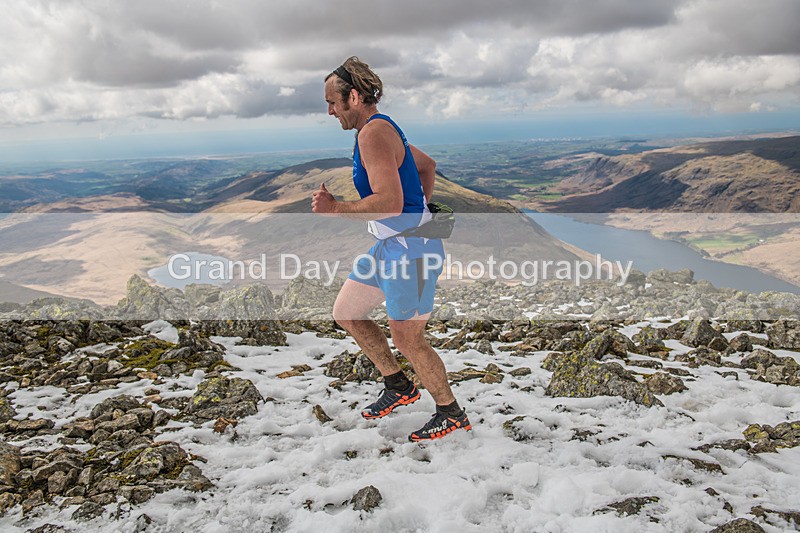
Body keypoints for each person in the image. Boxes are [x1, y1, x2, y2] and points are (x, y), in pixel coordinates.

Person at [312, 56, 471, 442]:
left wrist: (336, 209)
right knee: (347, 312)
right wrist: (421, 215)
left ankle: (450, 413)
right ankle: (398, 385)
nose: (330, 111)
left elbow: (389, 202)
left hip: (412, 255)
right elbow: (426, 166)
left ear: (354, 95)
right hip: (392, 247)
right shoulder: (377, 130)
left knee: (408, 338)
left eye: (333, 102)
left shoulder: (374, 134)